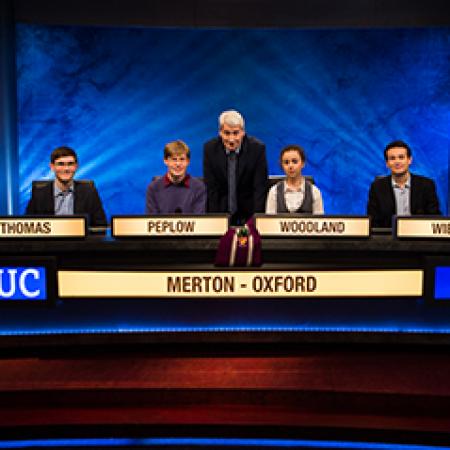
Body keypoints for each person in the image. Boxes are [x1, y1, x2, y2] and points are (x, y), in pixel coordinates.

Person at [203, 110, 268, 225]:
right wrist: (214, 221)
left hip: (249, 214)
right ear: (220, 132)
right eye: (227, 133)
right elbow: (211, 189)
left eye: (236, 133)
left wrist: (256, 221)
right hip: (221, 213)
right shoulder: (210, 149)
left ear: (243, 132)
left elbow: (259, 188)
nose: (231, 139)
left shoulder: (257, 149)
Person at [25, 146, 107, 227]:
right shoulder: (39, 194)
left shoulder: (89, 192)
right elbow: (28, 227)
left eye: (70, 164)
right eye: (60, 164)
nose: (66, 169)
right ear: (52, 167)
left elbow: (100, 227)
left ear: (76, 166)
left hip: (80, 240)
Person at [367, 140, 441, 228]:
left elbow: (434, 218)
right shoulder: (377, 187)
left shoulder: (427, 185)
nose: (397, 162)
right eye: (392, 158)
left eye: (401, 157)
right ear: (387, 163)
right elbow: (373, 221)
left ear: (409, 160)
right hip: (388, 238)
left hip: (419, 237)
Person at [146, 140, 206, 214]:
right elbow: (151, 222)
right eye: (174, 159)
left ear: (188, 161)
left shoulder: (199, 188)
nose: (178, 164)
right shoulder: (153, 188)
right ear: (165, 161)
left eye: (182, 159)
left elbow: (199, 221)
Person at [265, 145, 324, 214]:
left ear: (303, 163)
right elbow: (269, 222)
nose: (290, 166)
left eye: (294, 161)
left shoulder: (314, 192)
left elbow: (320, 222)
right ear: (282, 166)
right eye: (286, 162)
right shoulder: (273, 192)